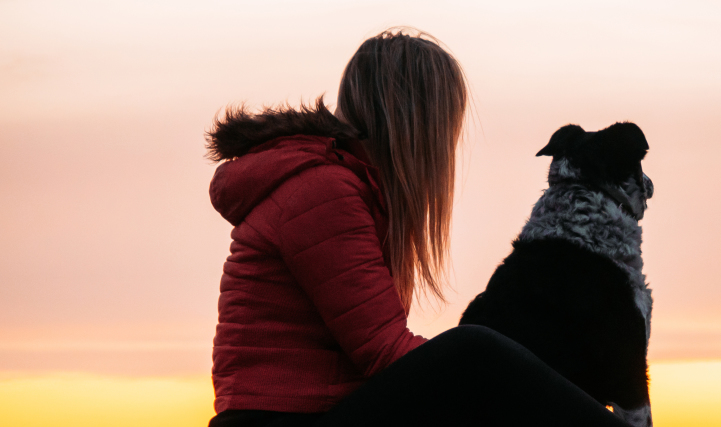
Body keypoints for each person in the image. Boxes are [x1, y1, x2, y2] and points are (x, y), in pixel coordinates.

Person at [205, 28, 629, 427]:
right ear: (412, 121)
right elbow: (384, 351)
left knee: (480, 363)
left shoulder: (350, 189)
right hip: (281, 419)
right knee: (473, 351)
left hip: (321, 410)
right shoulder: (322, 190)